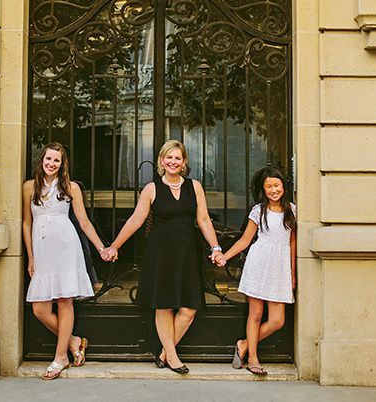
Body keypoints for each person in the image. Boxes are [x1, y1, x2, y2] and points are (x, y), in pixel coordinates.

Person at [103, 139, 222, 374]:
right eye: (169, 157)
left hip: (187, 252)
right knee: (164, 305)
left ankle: (164, 353)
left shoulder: (194, 187)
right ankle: (173, 357)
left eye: (177, 157)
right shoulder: (152, 189)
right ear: (161, 161)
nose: (173, 161)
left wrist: (216, 248)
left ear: (184, 161)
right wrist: (114, 246)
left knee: (189, 309)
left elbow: (204, 220)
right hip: (160, 254)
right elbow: (135, 220)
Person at [23, 142, 113, 380]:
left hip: (66, 247)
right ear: (41, 160)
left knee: (65, 302)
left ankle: (60, 357)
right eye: (48, 159)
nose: (51, 164)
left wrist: (102, 248)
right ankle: (74, 341)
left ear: (63, 165)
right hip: (42, 250)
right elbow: (26, 223)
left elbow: (83, 222)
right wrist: (31, 256)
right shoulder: (29, 187)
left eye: (57, 160)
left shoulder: (71, 187)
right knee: (40, 308)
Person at [214, 166, 297, 376]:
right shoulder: (258, 210)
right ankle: (252, 358)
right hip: (259, 262)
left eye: (276, 185)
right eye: (268, 186)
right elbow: (245, 240)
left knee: (277, 320)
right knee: (256, 314)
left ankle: (243, 344)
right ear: (263, 189)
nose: (273, 190)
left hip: (280, 267)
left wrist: (293, 274)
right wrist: (225, 256)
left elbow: (293, 245)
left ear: (283, 187)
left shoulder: (292, 211)